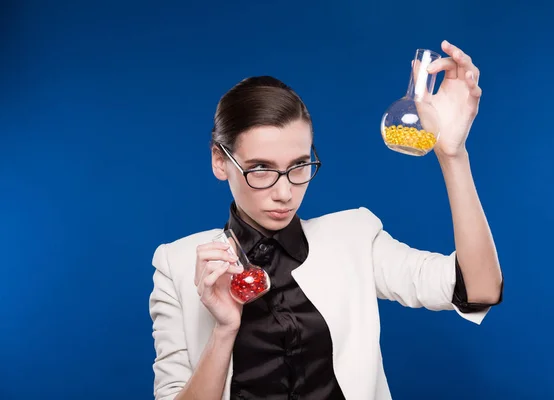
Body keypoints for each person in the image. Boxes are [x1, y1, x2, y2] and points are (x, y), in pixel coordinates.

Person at [149, 40, 504, 400]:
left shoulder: (355, 237)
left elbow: (480, 290)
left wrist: (453, 154)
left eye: (299, 166)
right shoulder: (176, 264)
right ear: (220, 161)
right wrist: (224, 330)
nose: (285, 192)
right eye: (260, 169)